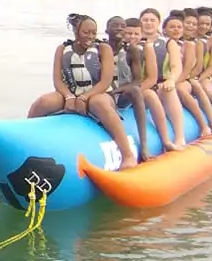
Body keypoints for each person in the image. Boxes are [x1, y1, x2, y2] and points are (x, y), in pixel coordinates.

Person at [28, 13, 138, 166]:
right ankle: (26, 139)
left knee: (99, 103)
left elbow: (105, 82)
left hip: (98, 93)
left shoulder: (103, 48)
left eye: (94, 32)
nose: (91, 36)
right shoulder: (62, 49)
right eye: (86, 32)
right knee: (44, 101)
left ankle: (127, 155)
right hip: (71, 93)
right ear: (76, 32)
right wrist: (69, 97)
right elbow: (58, 81)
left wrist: (84, 97)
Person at [113, 17, 182, 159]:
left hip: (137, 89)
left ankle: (166, 140)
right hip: (118, 91)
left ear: (141, 34)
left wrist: (137, 91)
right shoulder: (112, 48)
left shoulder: (146, 48)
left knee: (150, 95)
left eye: (136, 34)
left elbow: (151, 78)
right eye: (128, 33)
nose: (132, 37)